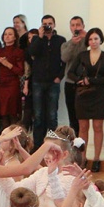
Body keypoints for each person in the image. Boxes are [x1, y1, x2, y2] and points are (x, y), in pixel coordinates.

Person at [67, 28, 104, 172]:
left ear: (101, 40)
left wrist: (91, 80)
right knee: (83, 128)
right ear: (88, 41)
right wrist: (80, 80)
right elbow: (70, 73)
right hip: (82, 95)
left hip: (99, 95)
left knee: (98, 127)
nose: (93, 41)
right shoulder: (82, 55)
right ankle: (83, 158)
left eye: (96, 39)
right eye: (91, 39)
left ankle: (97, 159)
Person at [24, 16, 65, 148]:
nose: (47, 26)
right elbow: (32, 53)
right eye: (45, 24)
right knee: (38, 116)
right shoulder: (36, 39)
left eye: (50, 24)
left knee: (52, 115)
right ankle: (37, 146)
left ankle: (51, 145)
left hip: (53, 82)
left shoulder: (60, 40)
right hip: (38, 81)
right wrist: (40, 37)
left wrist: (60, 76)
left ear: (54, 25)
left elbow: (64, 60)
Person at [0, 27, 25, 132]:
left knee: (12, 114)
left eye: (10, 34)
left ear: (15, 37)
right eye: (5, 34)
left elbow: (20, 71)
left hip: (12, 85)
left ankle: (15, 138)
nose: (7, 36)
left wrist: (7, 64)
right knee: (3, 115)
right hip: (0, 85)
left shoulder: (18, 52)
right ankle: (4, 138)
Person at [59, 16, 87, 135]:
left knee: (83, 117)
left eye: (78, 25)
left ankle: (83, 146)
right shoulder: (66, 44)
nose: (76, 28)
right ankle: (74, 145)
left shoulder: (88, 42)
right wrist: (73, 43)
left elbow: (88, 55)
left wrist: (85, 38)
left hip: (84, 83)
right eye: (73, 25)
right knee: (72, 116)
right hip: (70, 83)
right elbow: (65, 58)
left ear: (83, 26)